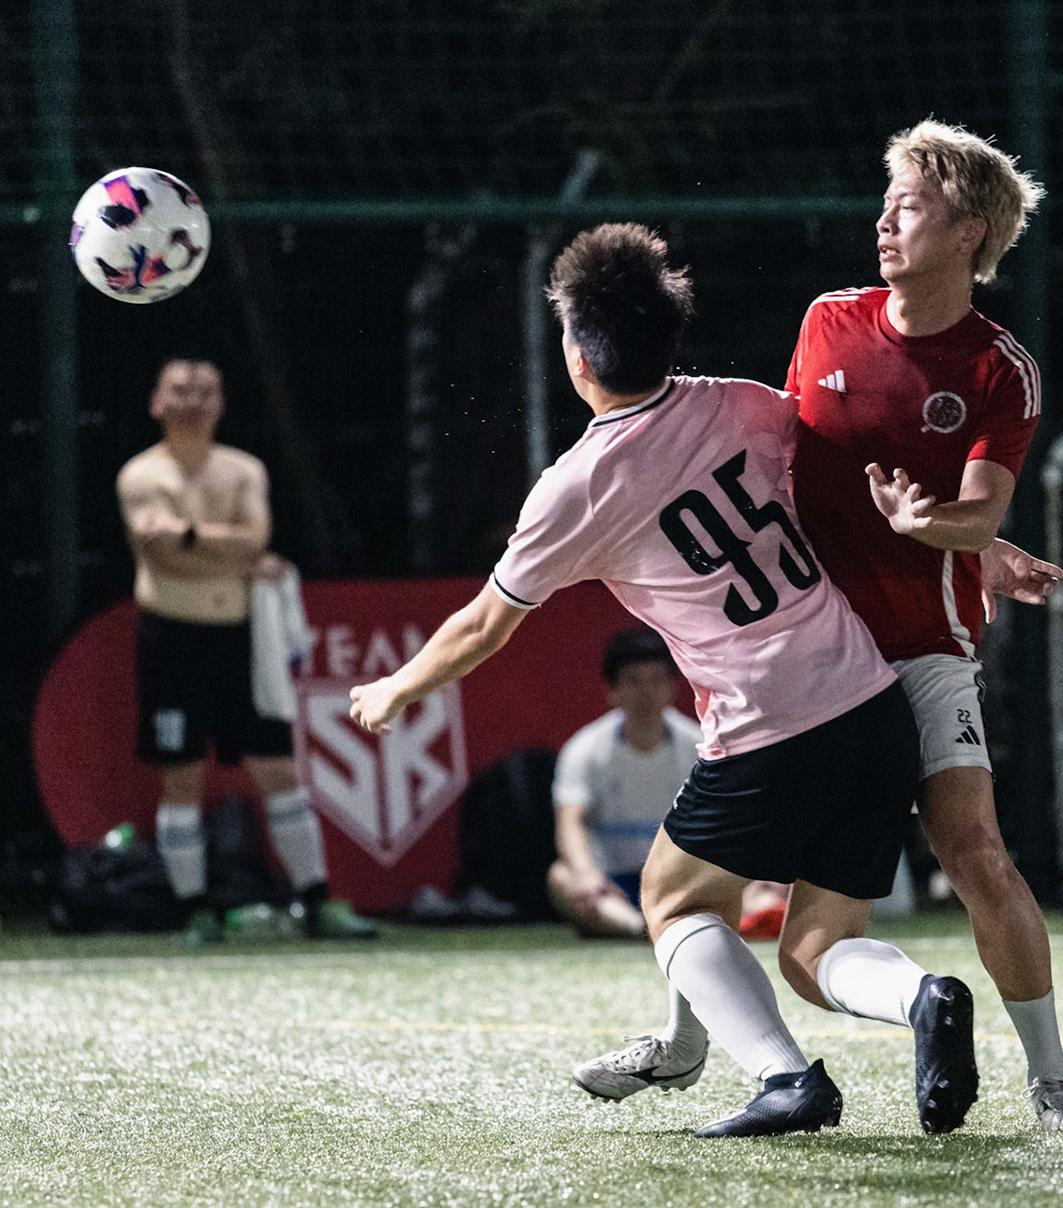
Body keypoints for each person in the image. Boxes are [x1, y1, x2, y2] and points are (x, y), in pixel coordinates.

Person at [351, 224, 980, 1138]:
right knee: (816, 947)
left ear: (577, 357)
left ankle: (784, 1078)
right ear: (670, 335)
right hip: (870, 701)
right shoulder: (744, 405)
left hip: (770, 723)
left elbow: (487, 622)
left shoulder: (579, 486)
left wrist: (395, 688)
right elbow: (845, 481)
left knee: (671, 898)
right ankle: (919, 994)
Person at [577, 120, 1063, 1132]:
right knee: (715, 878)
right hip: (804, 656)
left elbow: (982, 509)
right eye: (885, 201)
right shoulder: (829, 322)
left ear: (971, 232)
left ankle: (1052, 1080)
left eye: (909, 205)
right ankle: (689, 1047)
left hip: (918, 656)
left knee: (973, 852)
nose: (884, 221)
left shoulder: (1000, 370)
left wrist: (952, 534)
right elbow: (780, 466)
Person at [116, 356, 376, 945]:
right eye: (179, 390)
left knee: (278, 768)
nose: (192, 400)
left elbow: (254, 540)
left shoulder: (243, 470)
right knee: (180, 775)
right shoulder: (139, 476)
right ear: (156, 402)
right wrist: (224, 546)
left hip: (242, 638)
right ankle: (195, 911)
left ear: (222, 403)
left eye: (206, 390)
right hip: (172, 637)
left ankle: (317, 900)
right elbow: (158, 556)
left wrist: (187, 534)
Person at [548, 627, 700, 939]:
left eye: (657, 679)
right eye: (633, 681)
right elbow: (569, 821)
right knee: (561, 877)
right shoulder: (585, 748)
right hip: (610, 884)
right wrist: (586, 874)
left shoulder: (699, 745)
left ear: (672, 686)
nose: (646, 692)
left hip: (677, 885)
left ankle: (670, 924)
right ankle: (638, 928)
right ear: (612, 689)